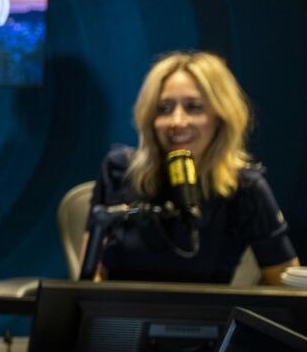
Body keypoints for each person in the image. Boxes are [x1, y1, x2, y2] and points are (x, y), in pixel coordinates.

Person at [84, 50, 299, 284]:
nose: (177, 122)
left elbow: (285, 284)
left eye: (194, 107)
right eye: (164, 108)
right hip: (118, 318)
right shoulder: (119, 170)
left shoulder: (246, 186)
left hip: (206, 319)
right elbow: (90, 277)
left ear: (220, 115)